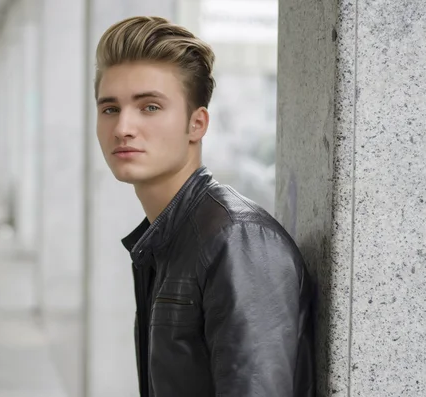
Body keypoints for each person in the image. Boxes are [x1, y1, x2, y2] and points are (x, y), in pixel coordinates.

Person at [94, 16, 315, 397]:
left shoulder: (237, 240)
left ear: (197, 124)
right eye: (110, 109)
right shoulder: (170, 236)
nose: (123, 127)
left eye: (149, 107)